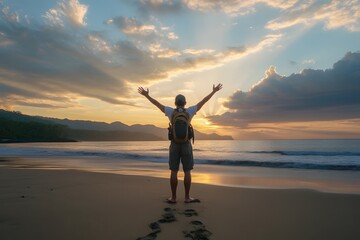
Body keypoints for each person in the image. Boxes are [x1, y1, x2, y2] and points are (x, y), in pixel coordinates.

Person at [138, 83, 223, 203]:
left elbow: (156, 104)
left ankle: (173, 198)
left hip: (174, 144)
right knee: (187, 171)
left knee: (174, 171)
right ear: (185, 102)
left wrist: (146, 95)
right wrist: (214, 91)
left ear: (175, 103)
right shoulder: (190, 111)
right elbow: (203, 101)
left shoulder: (170, 111)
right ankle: (187, 197)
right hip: (186, 144)